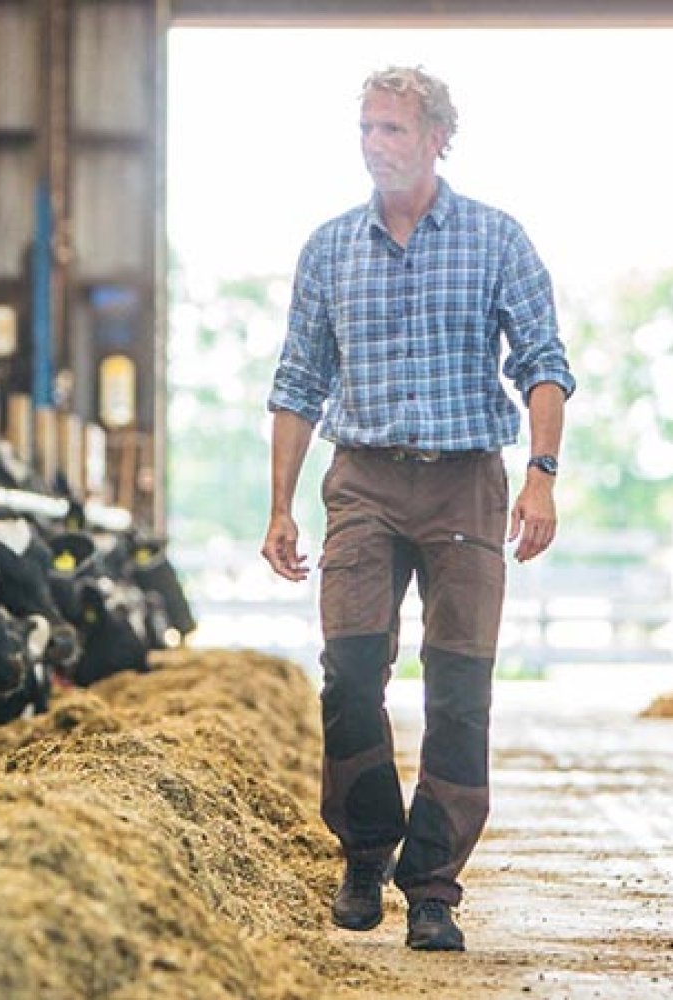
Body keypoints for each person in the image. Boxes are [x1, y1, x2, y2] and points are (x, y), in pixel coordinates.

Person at [261, 64, 574, 953]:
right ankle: (365, 851)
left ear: (438, 137)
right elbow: (297, 383)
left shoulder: (493, 238)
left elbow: (544, 362)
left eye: (393, 130)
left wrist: (540, 474)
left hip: (464, 482)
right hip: (360, 478)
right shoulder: (327, 248)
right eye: (366, 129)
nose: (375, 145)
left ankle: (433, 885)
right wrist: (280, 507)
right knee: (350, 671)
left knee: (459, 686)